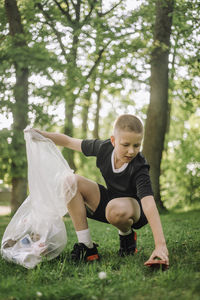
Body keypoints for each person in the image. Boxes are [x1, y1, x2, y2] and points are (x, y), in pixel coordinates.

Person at [34, 114, 169, 266]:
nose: (131, 151)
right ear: (113, 141)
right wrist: (42, 135)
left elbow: (149, 203)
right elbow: (68, 141)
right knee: (70, 181)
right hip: (110, 201)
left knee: (114, 208)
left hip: (133, 209)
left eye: (136, 145)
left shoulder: (139, 166)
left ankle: (127, 236)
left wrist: (160, 245)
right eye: (125, 145)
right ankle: (87, 247)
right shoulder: (103, 148)